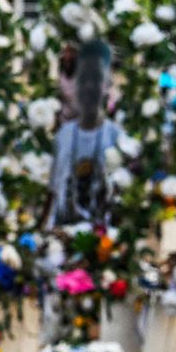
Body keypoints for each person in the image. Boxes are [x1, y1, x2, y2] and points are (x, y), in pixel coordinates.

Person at [45, 40, 120, 227]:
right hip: (63, 228)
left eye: (96, 81)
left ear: (105, 87)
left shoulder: (114, 135)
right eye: (84, 80)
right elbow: (54, 189)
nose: (89, 89)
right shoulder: (65, 134)